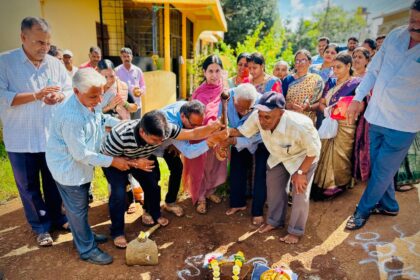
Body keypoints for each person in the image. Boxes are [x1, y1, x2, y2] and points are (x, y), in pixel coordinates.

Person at [101, 109, 226, 248]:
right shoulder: (119, 135)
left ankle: (155, 214)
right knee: (118, 194)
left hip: (142, 159)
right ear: (142, 132)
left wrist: (212, 127)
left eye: (162, 139)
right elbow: (107, 159)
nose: (159, 143)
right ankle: (117, 232)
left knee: (153, 185)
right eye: (155, 140)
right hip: (114, 162)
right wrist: (136, 163)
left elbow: (192, 133)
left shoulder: (166, 129)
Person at [345, 0, 420, 230]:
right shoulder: (396, 35)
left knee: (381, 171)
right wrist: (358, 99)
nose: (412, 26)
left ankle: (362, 210)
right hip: (376, 116)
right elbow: (374, 70)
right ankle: (389, 205)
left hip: (403, 123)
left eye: (419, 22)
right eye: (411, 19)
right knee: (379, 165)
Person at [46, 68, 129, 265]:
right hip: (68, 168)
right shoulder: (71, 116)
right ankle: (87, 249)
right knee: (78, 209)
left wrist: (121, 123)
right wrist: (113, 161)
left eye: (100, 94)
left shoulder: (90, 101)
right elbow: (81, 154)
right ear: (76, 92)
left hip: (80, 165)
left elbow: (100, 118)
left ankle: (85, 236)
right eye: (94, 96)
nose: (99, 100)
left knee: (80, 207)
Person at [0, 17, 71, 247]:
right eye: (39, 42)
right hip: (21, 141)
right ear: (23, 37)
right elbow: (3, 96)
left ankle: (58, 218)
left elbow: (68, 90)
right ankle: (41, 227)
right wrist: (37, 95)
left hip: (51, 138)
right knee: (29, 188)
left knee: (53, 183)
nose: (44, 48)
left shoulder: (55, 64)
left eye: (48, 43)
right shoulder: (5, 62)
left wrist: (58, 96)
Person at [229, 91, 321, 244]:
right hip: (279, 155)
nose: (262, 121)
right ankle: (274, 221)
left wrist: (300, 172)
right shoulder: (258, 116)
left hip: (303, 157)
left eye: (267, 117)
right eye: (260, 116)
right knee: (273, 187)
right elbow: (243, 131)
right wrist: (225, 132)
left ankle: (295, 231)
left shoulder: (300, 125)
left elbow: (313, 151)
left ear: (281, 113)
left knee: (300, 192)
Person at [154, 100, 220, 217]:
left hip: (169, 142)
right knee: (153, 176)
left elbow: (193, 133)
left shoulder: (186, 107)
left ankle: (170, 202)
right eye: (193, 125)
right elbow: (189, 151)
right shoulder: (172, 123)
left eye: (199, 125)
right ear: (183, 116)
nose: (195, 128)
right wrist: (211, 141)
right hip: (149, 146)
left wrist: (176, 143)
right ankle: (149, 210)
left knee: (177, 167)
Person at [183, 55, 229, 214]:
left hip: (218, 135)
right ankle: (200, 196)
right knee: (200, 167)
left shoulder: (225, 90)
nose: (214, 75)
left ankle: (210, 192)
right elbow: (191, 116)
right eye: (210, 71)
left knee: (213, 165)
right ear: (204, 72)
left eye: (217, 71)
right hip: (200, 137)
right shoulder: (198, 92)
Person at [312, 54, 361, 198]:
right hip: (329, 122)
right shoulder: (331, 82)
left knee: (341, 155)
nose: (335, 70)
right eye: (333, 67)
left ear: (348, 66)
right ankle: (326, 183)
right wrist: (326, 110)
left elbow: (360, 105)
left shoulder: (356, 83)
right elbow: (321, 102)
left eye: (338, 67)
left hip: (346, 124)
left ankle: (340, 182)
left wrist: (342, 110)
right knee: (324, 151)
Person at [215, 84, 262, 217]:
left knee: (260, 172)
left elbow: (259, 135)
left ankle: (258, 209)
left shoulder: (261, 103)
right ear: (234, 98)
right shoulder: (226, 99)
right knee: (237, 168)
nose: (244, 112)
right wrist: (225, 139)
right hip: (235, 136)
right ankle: (237, 203)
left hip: (259, 140)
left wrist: (234, 139)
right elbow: (221, 121)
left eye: (248, 109)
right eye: (240, 107)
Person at [283, 49, 324, 125]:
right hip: (289, 119)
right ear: (295, 64)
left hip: (308, 121)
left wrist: (309, 107)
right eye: (297, 61)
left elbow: (321, 102)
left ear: (310, 62)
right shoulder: (287, 79)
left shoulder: (317, 79)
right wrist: (290, 105)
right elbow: (281, 101)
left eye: (303, 60)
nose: (300, 63)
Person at [352, 47, 372, 183]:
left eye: (360, 57)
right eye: (354, 56)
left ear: (367, 60)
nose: (356, 59)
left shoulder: (369, 77)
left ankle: (362, 173)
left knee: (362, 144)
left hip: (364, 117)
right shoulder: (348, 75)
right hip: (345, 117)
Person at [115, 47, 146, 119]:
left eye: (128, 56)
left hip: (136, 104)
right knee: (124, 127)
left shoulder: (138, 71)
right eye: (124, 56)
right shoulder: (116, 71)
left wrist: (140, 91)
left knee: (136, 126)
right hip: (123, 106)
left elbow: (143, 85)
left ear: (131, 57)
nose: (126, 58)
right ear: (121, 57)